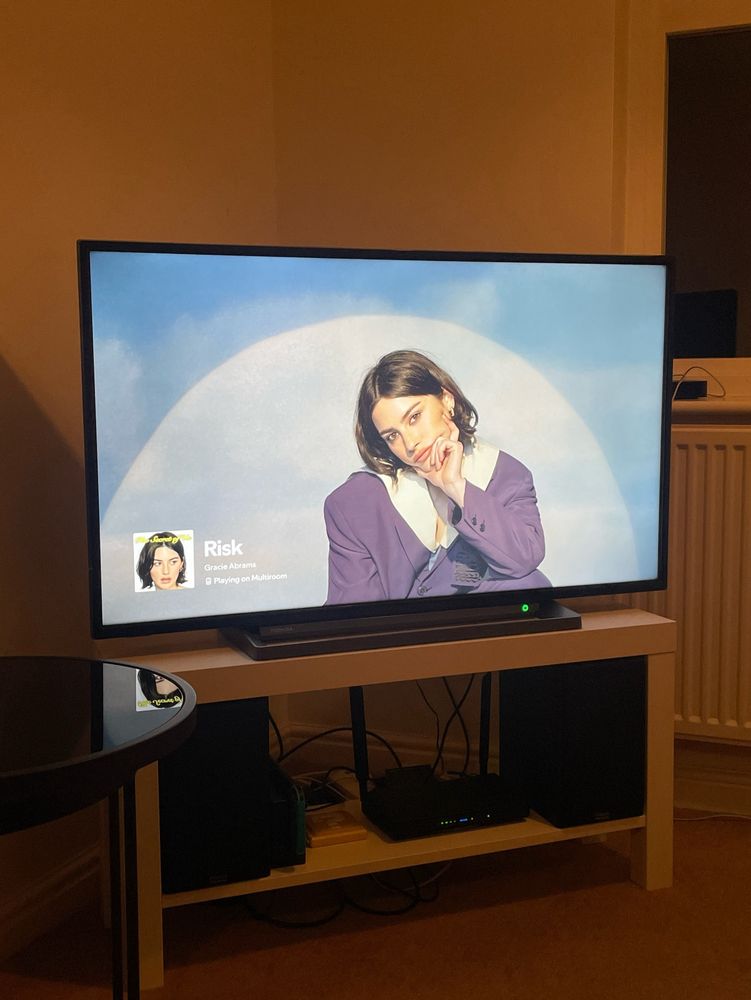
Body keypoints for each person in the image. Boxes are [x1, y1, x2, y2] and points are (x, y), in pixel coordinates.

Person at [323, 349, 550, 604]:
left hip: (475, 620)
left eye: (414, 417)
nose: (410, 443)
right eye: (392, 436)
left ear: (447, 400)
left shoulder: (506, 475)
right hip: (396, 627)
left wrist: (456, 487)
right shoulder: (353, 503)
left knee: (532, 587)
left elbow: (524, 559)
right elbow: (354, 614)